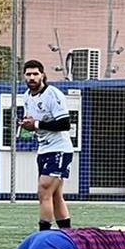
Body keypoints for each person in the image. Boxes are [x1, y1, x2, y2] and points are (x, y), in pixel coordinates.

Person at [20, 59, 73, 232]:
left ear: (43, 75)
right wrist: (27, 124)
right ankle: (68, 234)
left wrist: (35, 125)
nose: (32, 77)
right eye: (28, 74)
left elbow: (65, 124)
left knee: (43, 191)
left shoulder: (53, 94)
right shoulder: (27, 96)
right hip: (44, 149)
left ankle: (44, 235)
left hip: (59, 149)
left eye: (35, 74)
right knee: (55, 195)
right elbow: (34, 121)